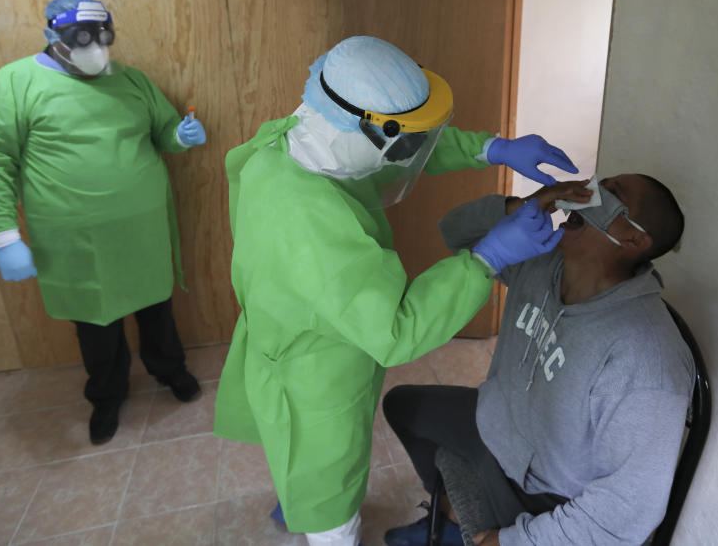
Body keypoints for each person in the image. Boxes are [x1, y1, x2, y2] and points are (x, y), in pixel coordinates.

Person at [213, 35, 579, 546]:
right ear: (368, 132)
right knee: (326, 484)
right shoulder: (309, 221)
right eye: (398, 139)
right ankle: (323, 523)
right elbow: (397, 328)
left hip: (299, 329)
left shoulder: (302, 140)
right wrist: (485, 259)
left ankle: (299, 492)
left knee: (298, 454)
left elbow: (404, 149)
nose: (408, 153)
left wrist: (490, 148)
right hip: (315, 374)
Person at [382, 174, 693, 546]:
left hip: (547, 492)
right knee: (402, 406)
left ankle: (462, 522)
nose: (588, 192)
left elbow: (625, 511)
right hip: (497, 425)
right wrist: (523, 206)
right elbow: (455, 232)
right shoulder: (542, 263)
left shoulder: (647, 360)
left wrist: (511, 541)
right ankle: (447, 519)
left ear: (633, 239)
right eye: (599, 182)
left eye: (611, 195)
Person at [0, 0, 205, 445]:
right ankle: (107, 396)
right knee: (96, 321)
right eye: (83, 38)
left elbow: (163, 131)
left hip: (142, 232)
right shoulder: (15, 83)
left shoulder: (131, 80)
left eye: (104, 36)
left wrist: (181, 135)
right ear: (54, 37)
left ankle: (170, 370)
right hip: (75, 240)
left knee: (156, 307)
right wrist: (4, 237)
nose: (97, 48)